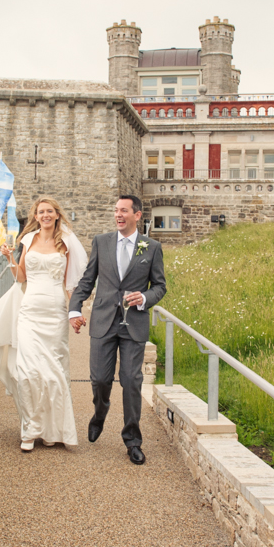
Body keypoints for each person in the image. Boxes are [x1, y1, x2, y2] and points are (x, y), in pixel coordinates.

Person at [0, 197, 87, 451]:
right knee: (27, 372)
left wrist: (74, 312)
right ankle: (30, 429)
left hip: (54, 312)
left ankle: (54, 430)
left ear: (56, 214)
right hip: (29, 310)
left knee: (54, 374)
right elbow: (21, 276)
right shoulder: (28, 240)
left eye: (49, 211)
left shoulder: (65, 242)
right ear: (36, 215)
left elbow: (70, 285)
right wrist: (10, 258)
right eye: (41, 211)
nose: (45, 215)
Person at [69, 196, 166, 466]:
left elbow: (160, 286)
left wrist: (145, 298)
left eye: (123, 211)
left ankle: (133, 440)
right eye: (115, 211)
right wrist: (75, 308)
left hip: (133, 324)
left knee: (132, 381)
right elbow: (88, 279)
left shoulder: (152, 247)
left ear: (137, 215)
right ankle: (100, 413)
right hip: (103, 320)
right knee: (100, 379)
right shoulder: (101, 242)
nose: (118, 215)